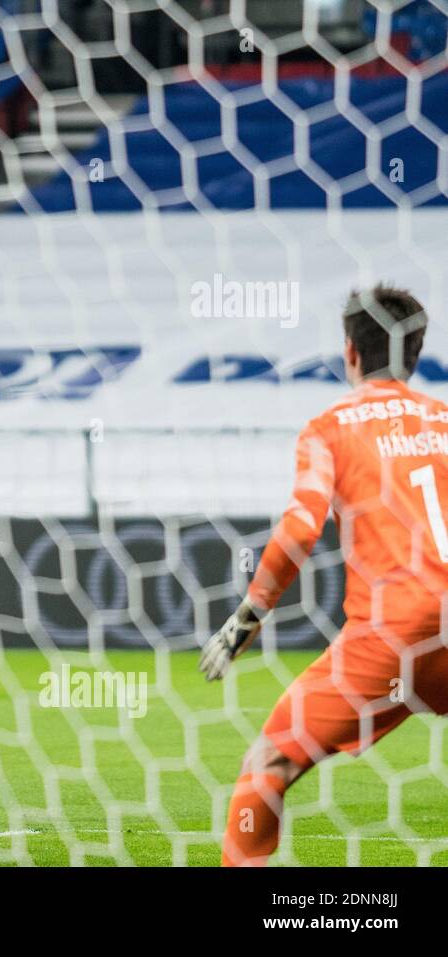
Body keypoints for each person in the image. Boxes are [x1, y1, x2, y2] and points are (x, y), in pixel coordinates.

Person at [200, 284, 448, 866]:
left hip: (396, 630)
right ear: (415, 353)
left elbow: (299, 528)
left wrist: (246, 620)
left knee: (268, 765)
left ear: (351, 353)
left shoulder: (330, 427)